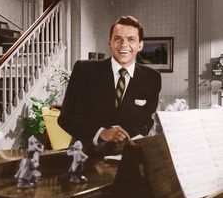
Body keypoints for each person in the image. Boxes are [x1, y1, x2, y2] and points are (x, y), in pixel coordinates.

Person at [58, 16, 161, 145]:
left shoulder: (152, 78)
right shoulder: (84, 70)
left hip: (128, 155)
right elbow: (66, 118)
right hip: (86, 154)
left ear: (140, 45)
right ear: (110, 43)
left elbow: (147, 122)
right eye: (118, 39)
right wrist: (101, 133)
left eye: (131, 39)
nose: (124, 44)